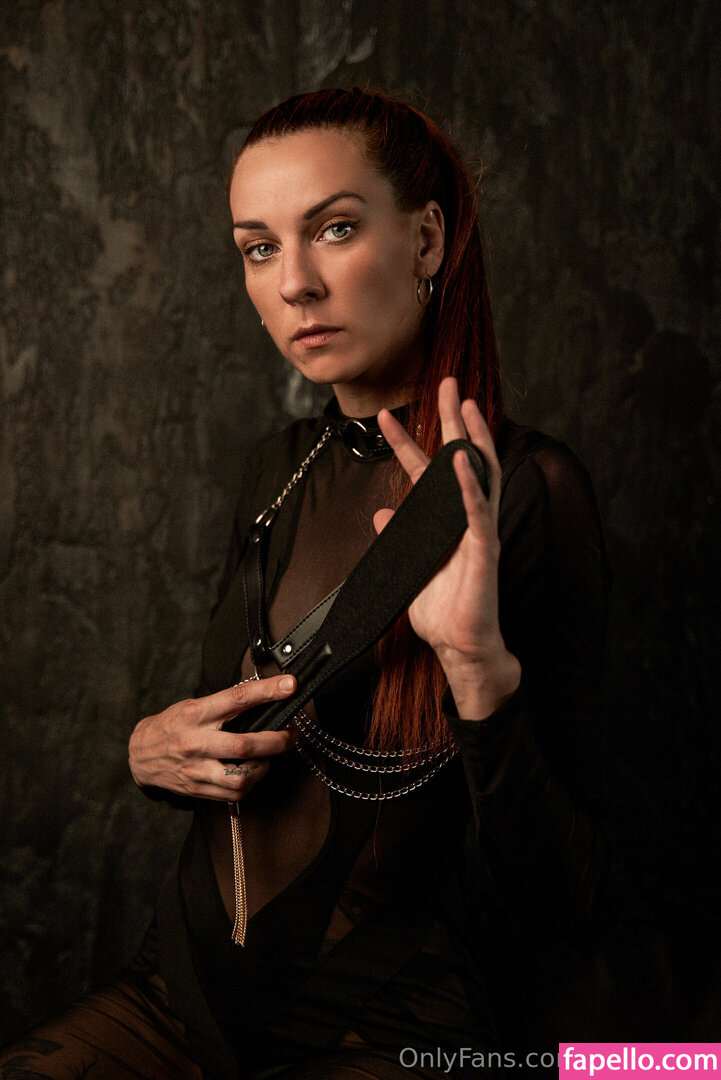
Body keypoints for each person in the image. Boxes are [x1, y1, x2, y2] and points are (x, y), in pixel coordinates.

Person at [0, 87, 611, 1079]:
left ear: (425, 240)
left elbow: (573, 891)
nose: (294, 284)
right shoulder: (275, 468)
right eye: (258, 247)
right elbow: (242, 721)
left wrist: (475, 670)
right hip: (180, 995)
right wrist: (154, 750)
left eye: (333, 229)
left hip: (383, 1025)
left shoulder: (530, 490)